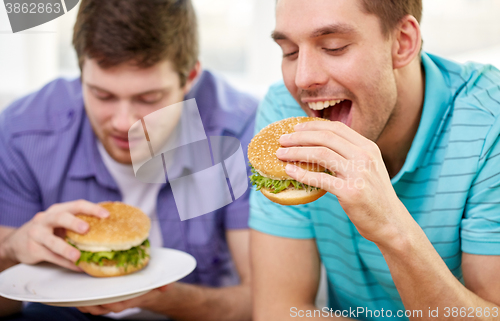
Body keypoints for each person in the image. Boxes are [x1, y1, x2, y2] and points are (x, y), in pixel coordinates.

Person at [0, 0, 257, 320]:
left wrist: (163, 299)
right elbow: (7, 305)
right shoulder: (23, 131)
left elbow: (263, 302)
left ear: (190, 76)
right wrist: (9, 250)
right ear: (80, 71)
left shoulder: (238, 132)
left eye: (149, 99)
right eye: (102, 95)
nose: (124, 122)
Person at [250, 0, 500, 320]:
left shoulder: (489, 126)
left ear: (402, 42)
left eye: (333, 47)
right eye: (289, 52)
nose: (302, 79)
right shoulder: (286, 111)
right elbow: (279, 310)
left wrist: (392, 230)